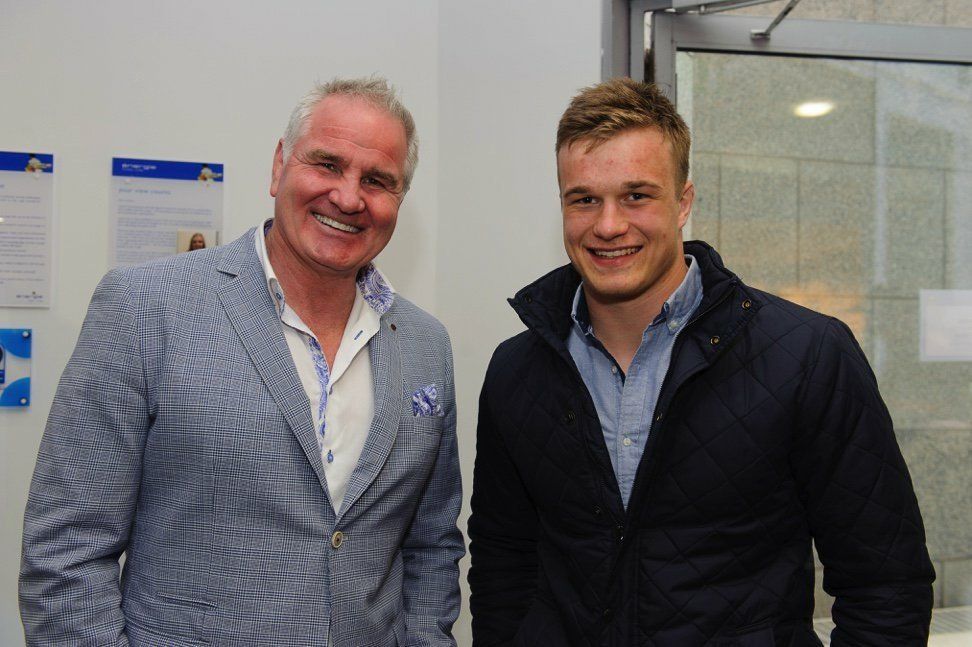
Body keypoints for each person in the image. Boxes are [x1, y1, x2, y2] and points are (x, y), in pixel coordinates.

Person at [468, 78, 934, 646]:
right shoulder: (518, 369)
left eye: (637, 195)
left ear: (683, 202)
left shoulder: (809, 355)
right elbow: (504, 565)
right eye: (584, 198)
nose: (609, 225)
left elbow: (886, 585)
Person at [21, 77, 464, 646]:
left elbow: (431, 543)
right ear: (280, 166)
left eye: (377, 181)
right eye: (327, 164)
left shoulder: (425, 344)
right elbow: (66, 551)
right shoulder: (145, 307)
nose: (349, 198)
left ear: (398, 200)